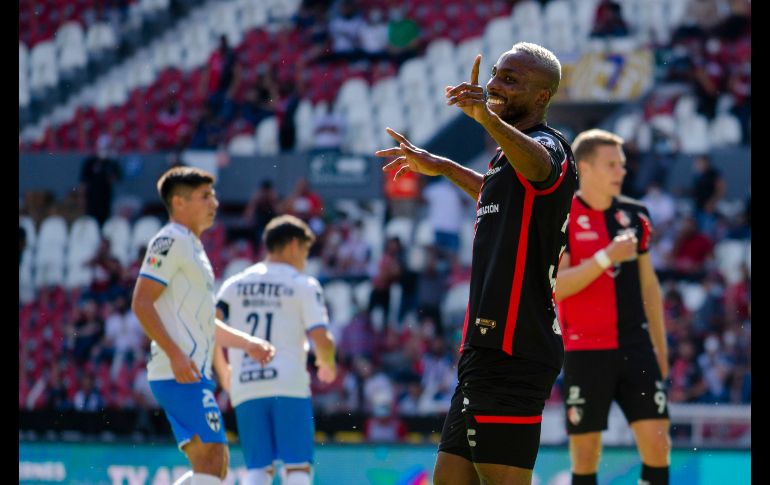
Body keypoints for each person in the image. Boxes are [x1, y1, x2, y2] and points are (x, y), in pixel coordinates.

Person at [376, 42, 577, 485]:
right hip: (483, 352)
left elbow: (540, 166)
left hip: (515, 348)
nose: (495, 86)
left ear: (542, 97)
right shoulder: (508, 162)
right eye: (497, 75)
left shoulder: (550, 147)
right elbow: (496, 192)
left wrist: (485, 117)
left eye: (511, 80)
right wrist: (444, 166)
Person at [131, 167, 276, 485]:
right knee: (211, 457)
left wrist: (247, 343)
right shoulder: (169, 240)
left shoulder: (194, 247)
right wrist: (175, 354)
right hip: (177, 370)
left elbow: (204, 322)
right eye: (205, 196)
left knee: (214, 463)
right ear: (179, 203)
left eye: (213, 195)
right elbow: (141, 302)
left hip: (191, 370)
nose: (215, 203)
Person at [554, 129, 670, 485]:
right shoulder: (563, 216)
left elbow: (649, 285)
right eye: (612, 165)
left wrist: (660, 351)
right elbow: (558, 286)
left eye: (622, 164)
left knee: (657, 444)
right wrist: (607, 256)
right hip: (585, 351)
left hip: (635, 347)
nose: (621, 171)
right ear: (584, 168)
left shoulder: (635, 215)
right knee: (586, 455)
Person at [213, 214, 336, 485]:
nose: (305, 259)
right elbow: (321, 336)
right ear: (293, 245)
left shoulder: (234, 284)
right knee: (297, 468)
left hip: (246, 383)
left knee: (258, 468)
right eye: (305, 250)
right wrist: (327, 363)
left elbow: (209, 327)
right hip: (288, 383)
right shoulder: (303, 284)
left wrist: (224, 372)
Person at [80, 134, 121, 227]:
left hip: (106, 199)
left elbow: (116, 179)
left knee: (105, 223)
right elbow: (83, 182)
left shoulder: (112, 163)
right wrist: (82, 199)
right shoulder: (90, 162)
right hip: (92, 199)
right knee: (91, 223)